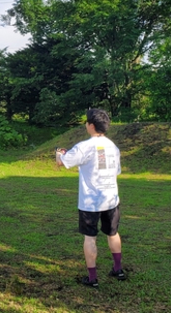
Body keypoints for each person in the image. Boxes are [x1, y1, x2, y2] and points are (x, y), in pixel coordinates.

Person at [56, 109, 126, 288]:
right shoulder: (113, 147)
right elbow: (116, 171)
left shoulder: (84, 146)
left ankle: (92, 277)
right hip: (111, 198)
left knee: (90, 237)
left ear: (91, 125)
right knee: (113, 233)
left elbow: (63, 162)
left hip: (90, 202)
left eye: (87, 122)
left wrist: (59, 153)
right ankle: (117, 269)